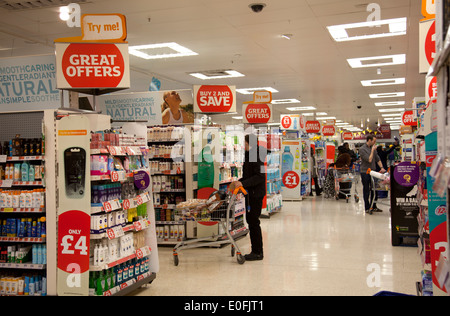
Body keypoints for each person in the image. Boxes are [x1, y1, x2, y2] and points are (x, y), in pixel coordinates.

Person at [230, 134, 266, 261]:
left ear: (248, 143)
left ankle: (257, 252)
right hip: (252, 193)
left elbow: (260, 176)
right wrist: (239, 181)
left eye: (244, 143)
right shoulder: (251, 155)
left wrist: (243, 183)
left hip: (255, 195)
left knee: (253, 222)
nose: (243, 145)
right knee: (252, 221)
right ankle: (256, 250)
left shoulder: (255, 156)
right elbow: (250, 175)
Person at [359, 135, 386, 215]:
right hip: (365, 172)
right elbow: (369, 159)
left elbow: (377, 159)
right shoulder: (362, 149)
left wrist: (381, 167)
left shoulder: (373, 148)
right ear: (369, 140)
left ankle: (373, 206)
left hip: (373, 172)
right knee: (366, 190)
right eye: (374, 141)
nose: (375, 143)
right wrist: (372, 151)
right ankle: (367, 208)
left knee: (374, 189)